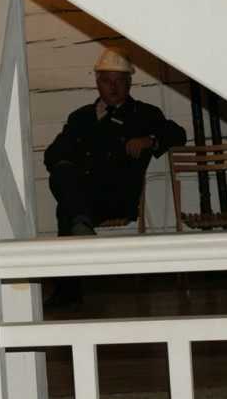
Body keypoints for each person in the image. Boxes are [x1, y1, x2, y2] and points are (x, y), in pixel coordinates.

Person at [43, 47, 187, 308]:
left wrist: (149, 140)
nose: (113, 87)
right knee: (62, 178)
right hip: (83, 192)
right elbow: (52, 153)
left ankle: (68, 289)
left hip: (116, 197)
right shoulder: (80, 117)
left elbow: (178, 134)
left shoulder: (144, 114)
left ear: (129, 83)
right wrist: (63, 164)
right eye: (107, 80)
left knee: (67, 211)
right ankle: (81, 227)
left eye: (120, 81)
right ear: (97, 82)